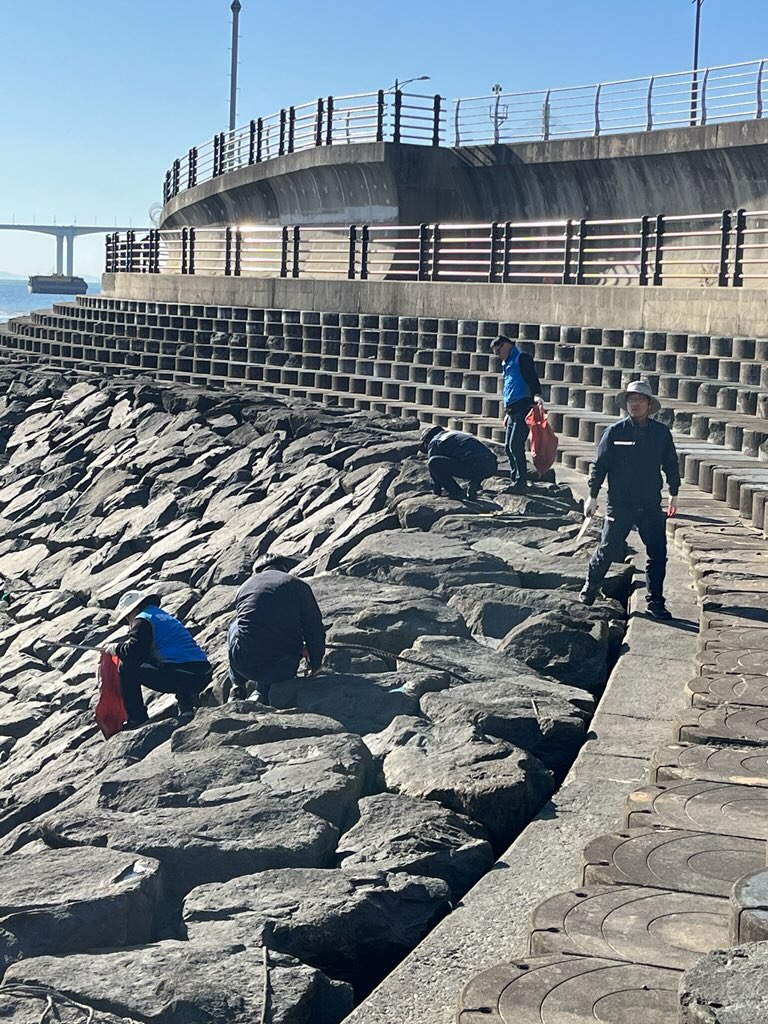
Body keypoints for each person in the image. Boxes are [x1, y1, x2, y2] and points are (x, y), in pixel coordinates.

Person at [580, 379, 680, 620]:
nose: (635, 404)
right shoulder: (614, 432)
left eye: (639, 400)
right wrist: (592, 497)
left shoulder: (661, 433)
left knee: (658, 553)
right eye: (631, 400)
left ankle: (655, 601)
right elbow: (599, 466)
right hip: (620, 503)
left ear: (648, 404)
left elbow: (671, 464)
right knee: (607, 548)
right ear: (626, 404)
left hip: (649, 504)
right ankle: (591, 586)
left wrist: (674, 493)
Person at [108, 590, 212, 728]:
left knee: (126, 667)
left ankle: (137, 718)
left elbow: (135, 653)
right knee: (169, 661)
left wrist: (116, 649)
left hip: (184, 677)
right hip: (203, 673)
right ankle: (186, 708)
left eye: (127, 618)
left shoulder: (142, 620)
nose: (128, 622)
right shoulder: (163, 616)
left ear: (132, 610)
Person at [227, 556, 326, 702]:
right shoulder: (297, 585)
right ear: (284, 568)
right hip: (282, 669)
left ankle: (237, 685)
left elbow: (254, 628)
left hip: (243, 664)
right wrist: (315, 662)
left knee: (236, 626)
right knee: (273, 644)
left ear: (256, 572)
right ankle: (263, 692)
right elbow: (314, 628)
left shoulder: (244, 587)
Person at [490, 335, 544, 492]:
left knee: (515, 445)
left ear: (507, 346)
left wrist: (537, 395)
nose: (498, 355)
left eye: (498, 351)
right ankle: (515, 477)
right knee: (508, 446)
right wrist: (507, 413)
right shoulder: (506, 363)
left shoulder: (522, 358)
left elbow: (532, 378)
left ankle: (522, 481)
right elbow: (509, 387)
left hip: (523, 407)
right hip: (512, 410)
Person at [420, 425, 498, 501]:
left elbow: (434, 471)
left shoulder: (435, 441)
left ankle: (456, 492)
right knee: (470, 460)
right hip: (491, 465)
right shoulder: (455, 434)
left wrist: (436, 494)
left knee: (433, 462)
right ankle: (475, 482)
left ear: (427, 441)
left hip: (472, 465)